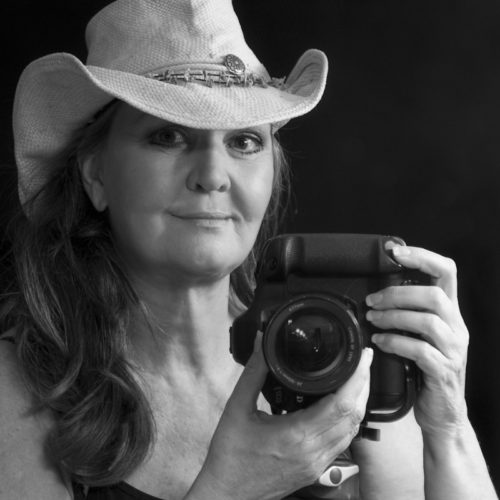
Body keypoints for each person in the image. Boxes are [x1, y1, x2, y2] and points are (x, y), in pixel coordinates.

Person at [0, 0, 497, 499]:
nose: (212, 176)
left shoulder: (337, 352)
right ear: (96, 175)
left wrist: (449, 429)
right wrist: (233, 487)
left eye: (243, 142)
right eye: (168, 136)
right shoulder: (22, 386)